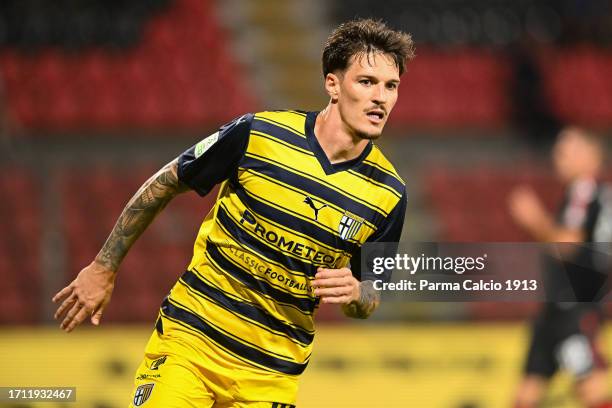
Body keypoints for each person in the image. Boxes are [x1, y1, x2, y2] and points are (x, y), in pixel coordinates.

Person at [52, 19, 414, 407]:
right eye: (366, 82)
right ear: (333, 85)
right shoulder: (258, 134)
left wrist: (357, 293)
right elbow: (165, 182)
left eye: (390, 86)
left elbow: (371, 292)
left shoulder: (389, 194)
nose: (381, 97)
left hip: (271, 376)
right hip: (190, 343)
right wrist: (105, 267)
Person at [509, 127, 612, 408]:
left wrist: (534, 219)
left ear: (592, 157)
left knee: (591, 389)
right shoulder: (585, 194)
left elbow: (568, 246)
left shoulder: (585, 192)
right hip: (556, 310)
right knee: (526, 394)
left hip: (574, 311)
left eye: (567, 150)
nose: (558, 156)